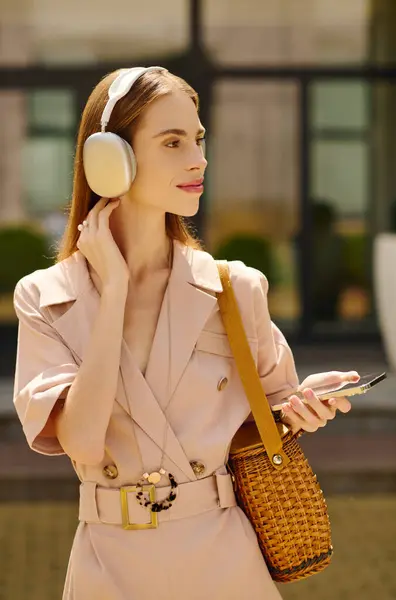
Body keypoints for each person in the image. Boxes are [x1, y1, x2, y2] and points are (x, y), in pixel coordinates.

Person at [13, 66, 359, 600]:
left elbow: (272, 412)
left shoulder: (235, 288)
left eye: (198, 139)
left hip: (224, 565)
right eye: (172, 142)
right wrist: (115, 291)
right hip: (110, 570)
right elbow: (82, 442)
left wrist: (304, 408)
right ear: (110, 159)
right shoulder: (46, 297)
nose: (198, 158)